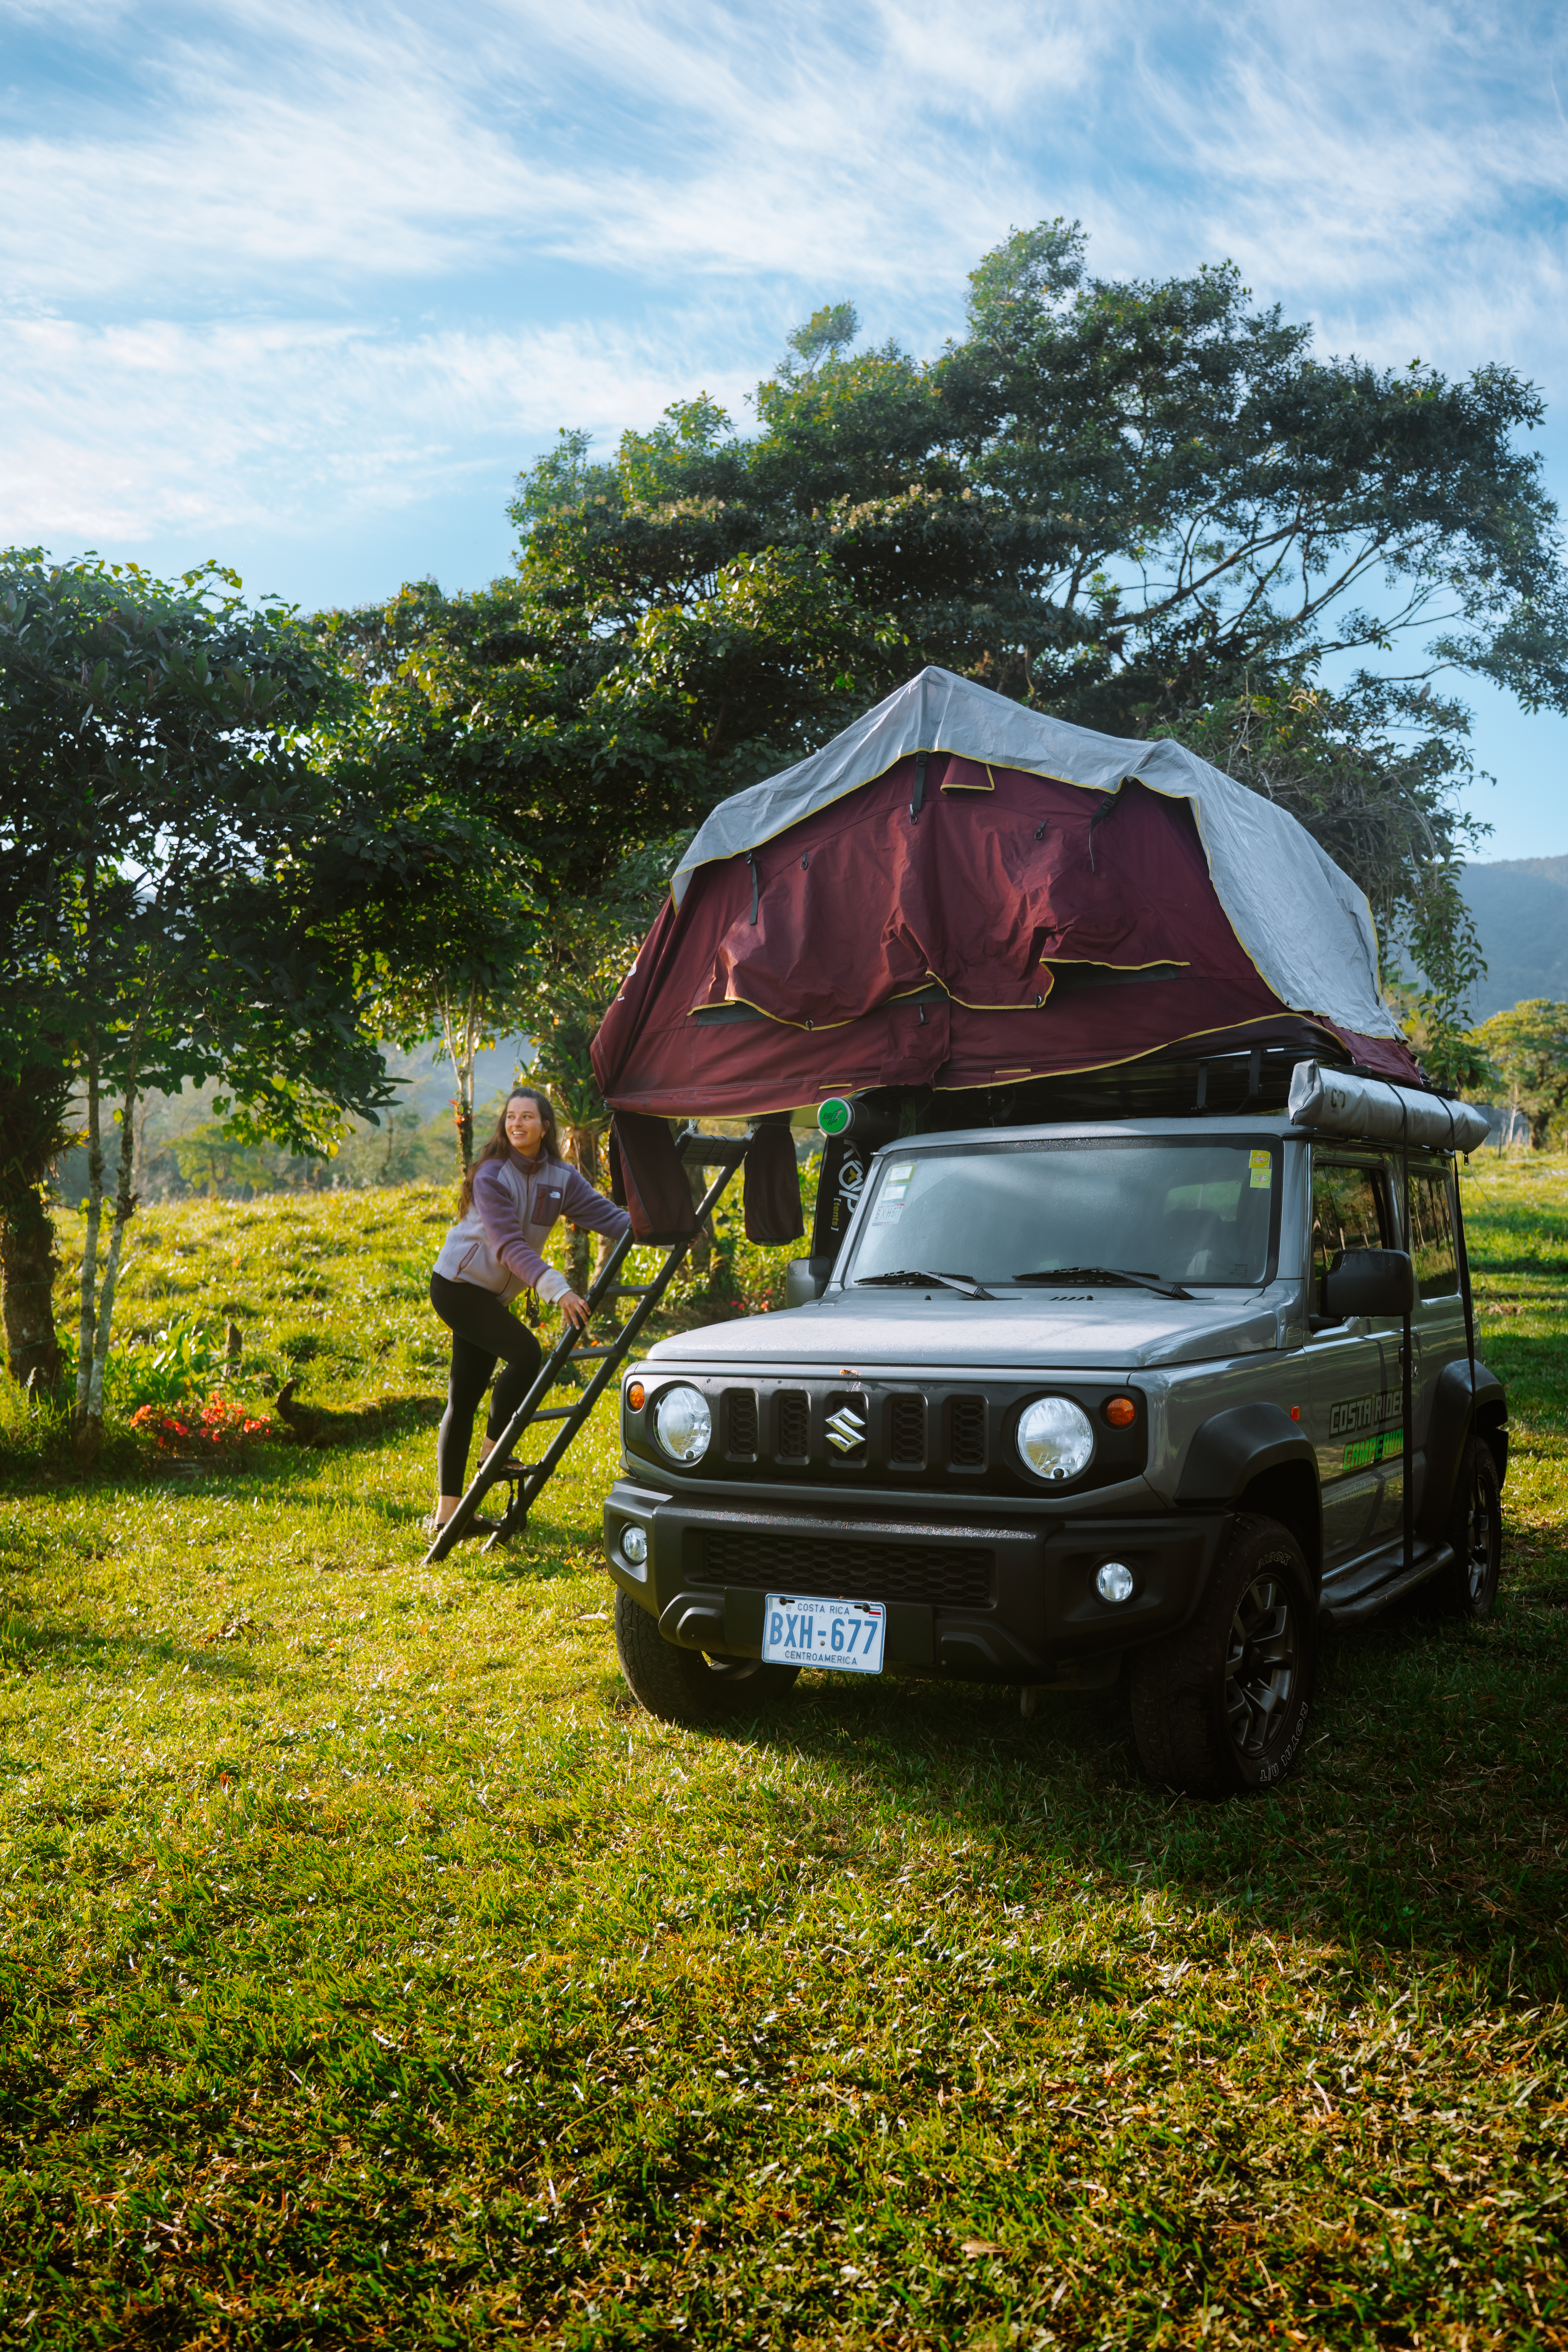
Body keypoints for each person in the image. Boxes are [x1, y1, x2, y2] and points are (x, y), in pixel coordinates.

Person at [427, 1087, 630, 1535]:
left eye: (526, 1117)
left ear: (544, 1126)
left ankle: (447, 1517)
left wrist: (661, 1232)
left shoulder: (560, 1178)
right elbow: (508, 1246)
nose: (516, 1124)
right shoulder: (492, 1176)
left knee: (464, 1397)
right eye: (510, 1118)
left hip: (490, 1297)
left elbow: (606, 1216)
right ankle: (492, 1454)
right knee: (526, 1353)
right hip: (458, 1287)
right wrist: (560, 1291)